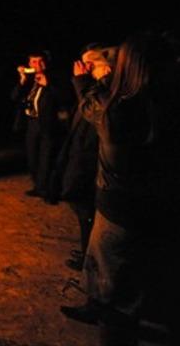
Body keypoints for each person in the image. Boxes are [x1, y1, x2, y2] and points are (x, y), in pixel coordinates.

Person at [60, 34, 160, 345]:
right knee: (100, 260)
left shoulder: (122, 108)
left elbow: (98, 111)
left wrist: (83, 83)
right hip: (120, 199)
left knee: (116, 274)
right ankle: (98, 307)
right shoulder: (144, 97)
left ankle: (115, 325)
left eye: (99, 64)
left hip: (122, 203)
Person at [50, 45, 113, 271]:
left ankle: (89, 257)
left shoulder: (106, 90)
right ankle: (86, 250)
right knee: (81, 207)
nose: (84, 69)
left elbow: (94, 113)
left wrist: (83, 83)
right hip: (79, 151)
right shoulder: (94, 87)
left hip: (91, 159)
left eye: (91, 64)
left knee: (85, 207)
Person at [12, 52, 69, 202]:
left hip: (49, 123)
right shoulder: (30, 79)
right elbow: (14, 97)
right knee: (33, 156)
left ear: (45, 63)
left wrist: (48, 84)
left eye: (39, 61)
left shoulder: (56, 77)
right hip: (32, 122)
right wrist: (22, 81)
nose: (36, 65)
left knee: (47, 157)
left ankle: (49, 192)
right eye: (33, 62)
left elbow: (66, 97)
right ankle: (39, 187)